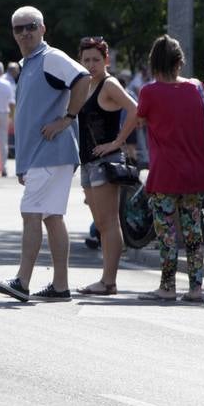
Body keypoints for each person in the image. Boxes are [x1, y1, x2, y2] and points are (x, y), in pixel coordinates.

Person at [0, 6, 91, 303]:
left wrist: (67, 118)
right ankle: (60, 286)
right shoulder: (29, 64)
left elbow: (83, 78)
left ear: (43, 28)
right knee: (52, 217)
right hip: (44, 155)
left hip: (51, 152)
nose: (25, 33)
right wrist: (23, 164)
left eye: (30, 26)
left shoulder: (50, 58)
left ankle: (22, 281)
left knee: (31, 212)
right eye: (18, 28)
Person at [119, 36, 204, 302]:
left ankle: (168, 287)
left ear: (154, 63)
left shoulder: (149, 92)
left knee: (167, 233)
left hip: (165, 174)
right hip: (195, 172)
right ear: (179, 61)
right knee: (193, 232)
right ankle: (196, 289)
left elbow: (139, 119)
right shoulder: (196, 88)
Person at [71, 36, 139, 296]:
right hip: (88, 161)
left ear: (106, 60)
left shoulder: (109, 84)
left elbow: (135, 109)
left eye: (96, 60)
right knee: (100, 223)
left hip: (105, 161)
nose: (91, 64)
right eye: (86, 60)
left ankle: (108, 282)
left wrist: (117, 142)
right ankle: (106, 280)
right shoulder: (84, 84)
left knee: (109, 222)